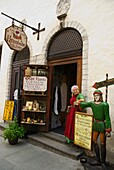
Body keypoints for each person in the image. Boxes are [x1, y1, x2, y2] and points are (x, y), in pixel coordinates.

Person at [79, 89, 112, 166]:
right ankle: (98, 159)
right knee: (94, 141)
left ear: (100, 96)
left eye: (98, 95)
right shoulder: (92, 103)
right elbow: (84, 104)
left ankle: (103, 161)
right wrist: (78, 101)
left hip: (102, 124)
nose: (96, 97)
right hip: (96, 124)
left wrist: (108, 128)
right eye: (95, 95)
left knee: (103, 143)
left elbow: (107, 117)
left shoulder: (104, 105)